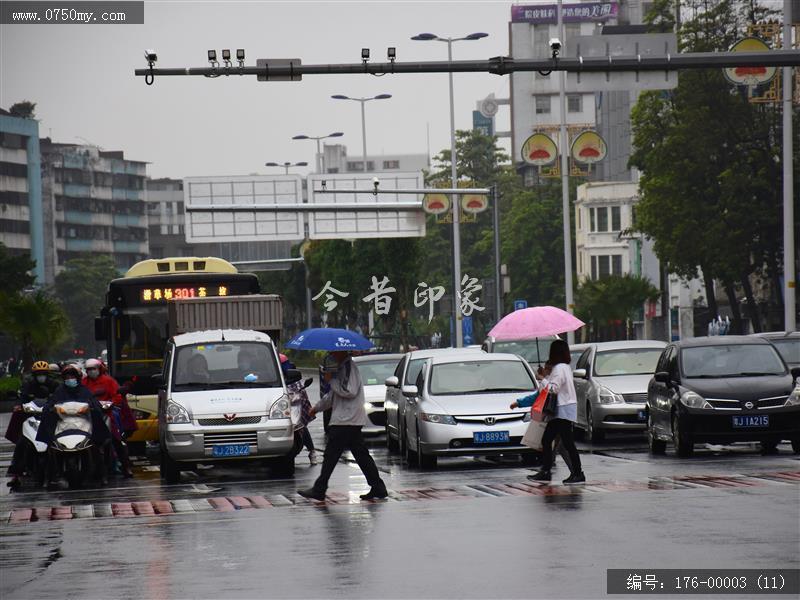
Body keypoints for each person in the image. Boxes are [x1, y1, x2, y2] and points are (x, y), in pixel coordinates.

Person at [298, 351, 388, 501]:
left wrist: (330, 380)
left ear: (341, 352)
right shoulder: (341, 368)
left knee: (331, 455)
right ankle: (378, 487)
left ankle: (319, 489)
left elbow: (349, 391)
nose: (331, 354)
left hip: (346, 419)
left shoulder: (348, 367)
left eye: (334, 351)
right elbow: (333, 396)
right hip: (347, 419)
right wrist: (316, 408)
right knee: (361, 455)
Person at [513, 339, 586, 484]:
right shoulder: (565, 367)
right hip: (565, 408)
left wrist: (541, 379)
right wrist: (545, 378)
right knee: (551, 440)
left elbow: (553, 389)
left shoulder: (559, 368)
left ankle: (573, 473)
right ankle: (549, 471)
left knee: (564, 442)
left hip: (562, 409)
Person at [36, 365, 112, 487]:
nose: (69, 379)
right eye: (67, 376)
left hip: (83, 421)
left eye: (72, 376)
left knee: (97, 447)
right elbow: (50, 404)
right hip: (63, 422)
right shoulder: (59, 391)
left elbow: (95, 403)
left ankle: (103, 475)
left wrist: (92, 408)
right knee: (49, 448)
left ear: (77, 378)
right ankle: (47, 477)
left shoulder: (84, 390)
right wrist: (50, 409)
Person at [5, 360, 59, 487]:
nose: (41, 376)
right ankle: (16, 474)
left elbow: (60, 396)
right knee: (21, 443)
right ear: (34, 374)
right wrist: (19, 406)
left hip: (49, 414)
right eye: (38, 373)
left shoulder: (55, 384)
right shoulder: (28, 383)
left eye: (43, 373)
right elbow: (22, 397)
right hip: (31, 415)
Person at [82, 358, 135, 478]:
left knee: (116, 439)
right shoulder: (84, 383)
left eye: (93, 369)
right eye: (89, 370)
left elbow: (117, 396)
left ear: (99, 369)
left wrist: (110, 404)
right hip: (89, 415)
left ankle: (126, 466)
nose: (91, 372)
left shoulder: (108, 381)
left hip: (107, 414)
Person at [280, 354, 318, 465]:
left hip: (295, 405)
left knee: (301, 426)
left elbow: (299, 391)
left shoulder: (293, 379)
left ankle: (312, 451)